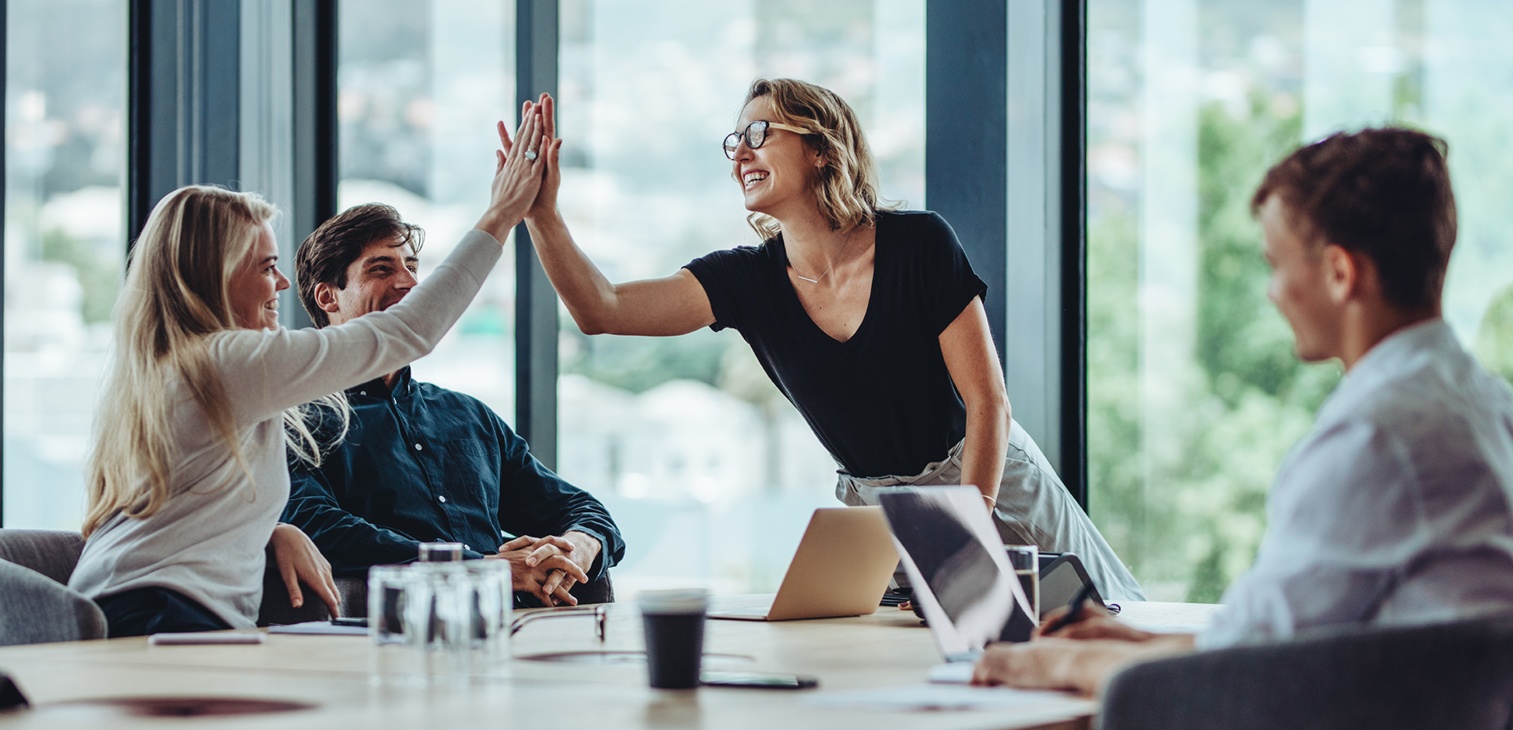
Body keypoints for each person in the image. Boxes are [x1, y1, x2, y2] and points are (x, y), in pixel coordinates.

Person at [510, 79, 1143, 601]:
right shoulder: (745, 280)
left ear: (820, 148)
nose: (740, 154)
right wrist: (543, 214)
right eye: (735, 142)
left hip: (988, 480)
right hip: (879, 515)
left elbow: (989, 405)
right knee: (916, 672)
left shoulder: (919, 243)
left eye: (760, 134)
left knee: (1104, 629)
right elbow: (602, 308)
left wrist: (962, 530)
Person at [972, 127, 1513, 695]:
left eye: (1277, 265)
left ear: (1339, 274)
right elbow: (1275, 637)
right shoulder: (1484, 405)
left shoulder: (1376, 436)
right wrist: (1133, 642)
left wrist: (1056, 665)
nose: (1272, 293)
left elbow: (1245, 673)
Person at [67, 102, 551, 636]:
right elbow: (408, 331)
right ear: (215, 275)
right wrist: (500, 215)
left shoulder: (173, 367)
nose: (281, 285)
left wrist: (272, 530)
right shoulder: (224, 362)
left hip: (130, 605)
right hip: (159, 615)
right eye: (266, 267)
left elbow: (187, 504)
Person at [282, 203, 626, 608]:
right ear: (328, 296)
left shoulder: (468, 415)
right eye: (381, 269)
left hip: (513, 631)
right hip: (392, 633)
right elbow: (314, 524)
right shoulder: (297, 419)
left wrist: (578, 546)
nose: (409, 282)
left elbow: (579, 507)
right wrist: (478, 567)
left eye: (411, 266)